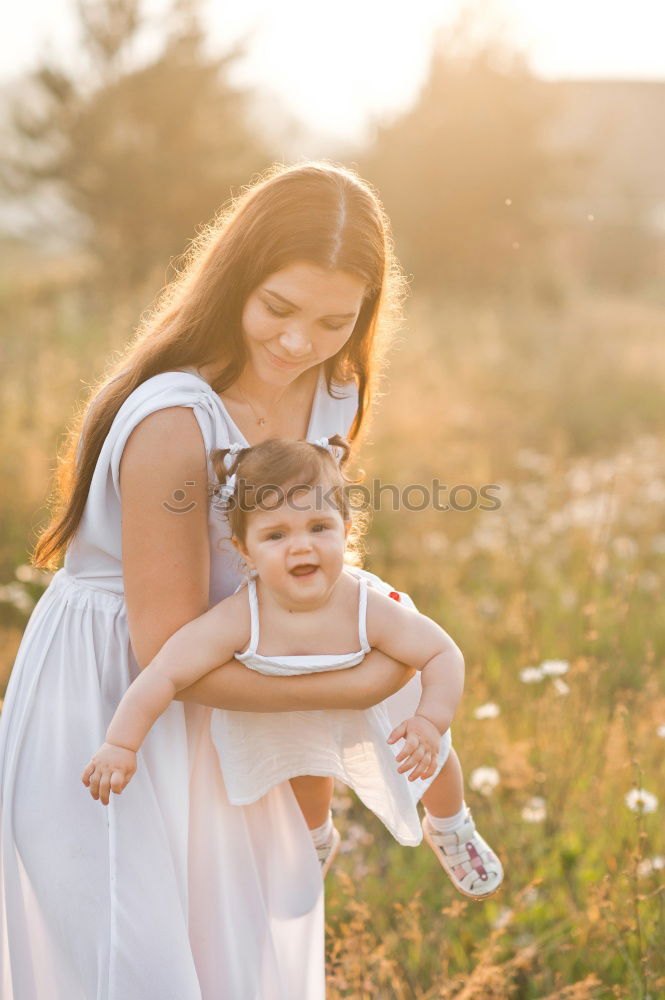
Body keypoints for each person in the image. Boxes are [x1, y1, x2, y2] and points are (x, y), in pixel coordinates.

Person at [0, 160, 449, 1000]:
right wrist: (355, 683)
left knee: (236, 963)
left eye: (331, 320)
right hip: (118, 700)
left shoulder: (332, 391)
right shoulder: (175, 418)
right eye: (277, 308)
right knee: (133, 968)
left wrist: (373, 648)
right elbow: (168, 651)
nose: (297, 342)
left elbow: (308, 560)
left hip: (241, 702)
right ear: (233, 280)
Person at [82, 434, 504, 901]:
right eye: (276, 535)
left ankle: (450, 825)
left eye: (318, 527)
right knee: (305, 768)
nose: (300, 547)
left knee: (435, 762)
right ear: (245, 550)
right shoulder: (243, 616)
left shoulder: (367, 606)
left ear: (346, 528)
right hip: (296, 717)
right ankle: (316, 839)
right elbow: (165, 672)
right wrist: (121, 743)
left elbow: (442, 652)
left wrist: (429, 719)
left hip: (393, 720)